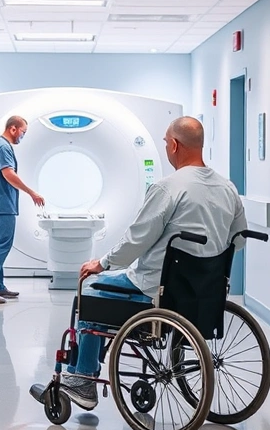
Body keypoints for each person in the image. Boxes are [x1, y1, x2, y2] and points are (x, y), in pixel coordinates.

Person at [59, 116, 247, 410]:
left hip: (155, 290)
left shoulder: (167, 188)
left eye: (164, 143)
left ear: (174, 145)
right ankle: (86, 371)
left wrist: (103, 263)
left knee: (92, 291)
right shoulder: (227, 188)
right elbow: (238, 239)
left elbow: (137, 239)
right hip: (203, 291)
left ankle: (83, 378)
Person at [0, 115, 45, 304]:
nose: (22, 136)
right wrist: (31, 192)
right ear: (13, 128)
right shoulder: (3, 147)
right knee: (3, 245)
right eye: (23, 132)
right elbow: (8, 173)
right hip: (3, 206)